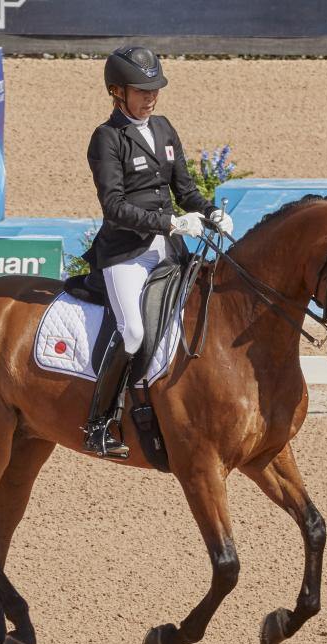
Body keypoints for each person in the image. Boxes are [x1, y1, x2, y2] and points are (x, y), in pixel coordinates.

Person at [80, 45, 234, 458]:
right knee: (132, 331)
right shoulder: (107, 138)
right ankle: (98, 422)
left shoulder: (164, 128)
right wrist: (167, 223)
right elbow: (113, 207)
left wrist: (210, 211)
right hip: (126, 253)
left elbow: (184, 190)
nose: (151, 97)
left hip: (169, 249)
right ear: (117, 92)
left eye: (155, 89)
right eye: (141, 90)